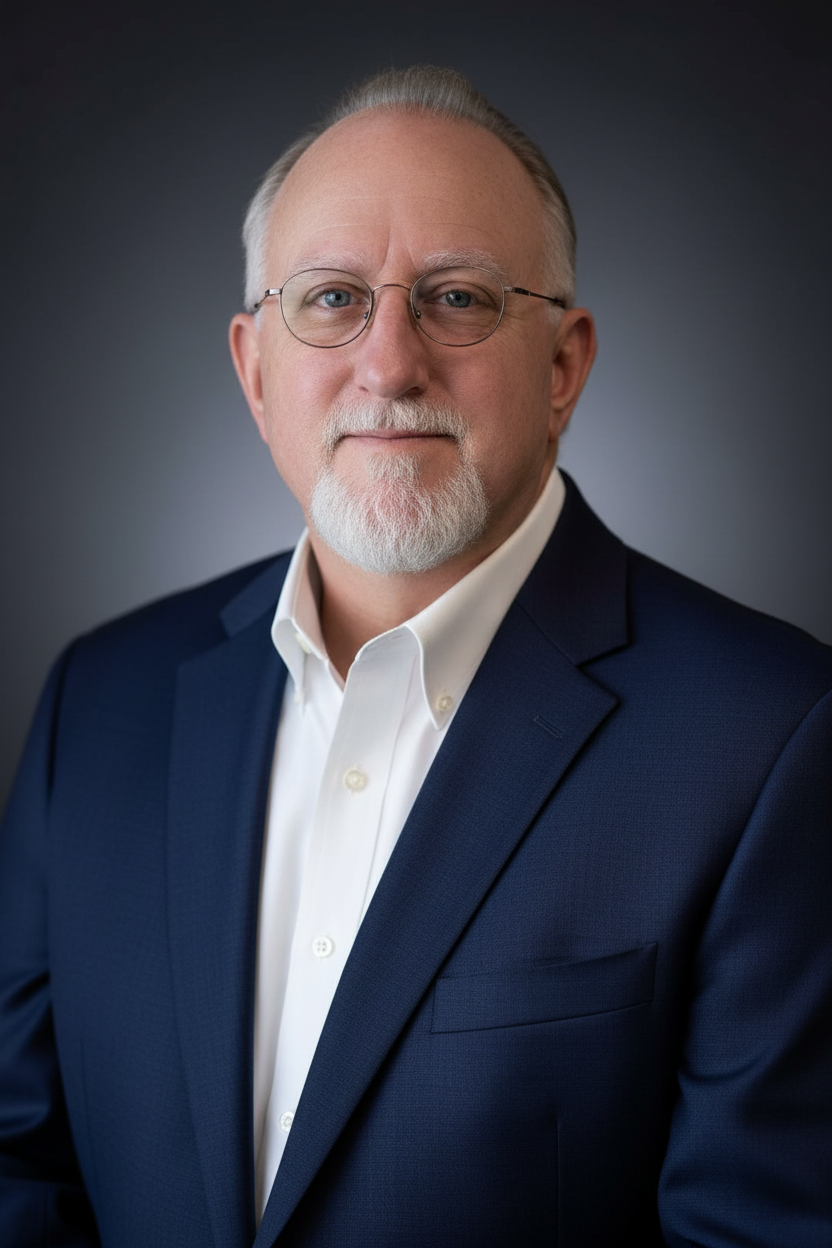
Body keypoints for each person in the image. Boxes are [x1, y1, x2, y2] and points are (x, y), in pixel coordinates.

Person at [1, 65, 830, 1248]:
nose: (388, 365)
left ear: (563, 366)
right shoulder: (103, 700)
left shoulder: (770, 737)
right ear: (253, 369)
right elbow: (18, 1161)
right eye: (332, 299)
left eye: (456, 299)